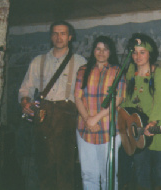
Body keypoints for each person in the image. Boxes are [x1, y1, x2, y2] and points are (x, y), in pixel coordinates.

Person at [18, 20, 87, 190]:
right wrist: (25, 102)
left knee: (65, 165)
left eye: (63, 33)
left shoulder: (80, 62)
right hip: (43, 116)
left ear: (70, 37)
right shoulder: (38, 61)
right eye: (55, 33)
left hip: (67, 116)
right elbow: (24, 89)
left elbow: (86, 93)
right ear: (51, 36)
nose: (59, 37)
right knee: (44, 163)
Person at [120, 33, 161, 190]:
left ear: (150, 54)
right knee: (141, 173)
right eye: (135, 52)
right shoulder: (131, 73)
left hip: (157, 129)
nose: (137, 56)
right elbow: (127, 102)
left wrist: (151, 124)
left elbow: (160, 103)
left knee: (160, 175)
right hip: (138, 131)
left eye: (142, 52)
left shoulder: (159, 74)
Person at [75, 35, 125, 189]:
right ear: (93, 51)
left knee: (108, 176)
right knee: (88, 175)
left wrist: (95, 118)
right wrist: (87, 119)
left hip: (108, 129)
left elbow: (118, 99)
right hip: (85, 129)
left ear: (110, 52)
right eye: (98, 48)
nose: (101, 52)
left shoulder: (117, 71)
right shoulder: (83, 70)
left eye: (105, 49)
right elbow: (77, 97)